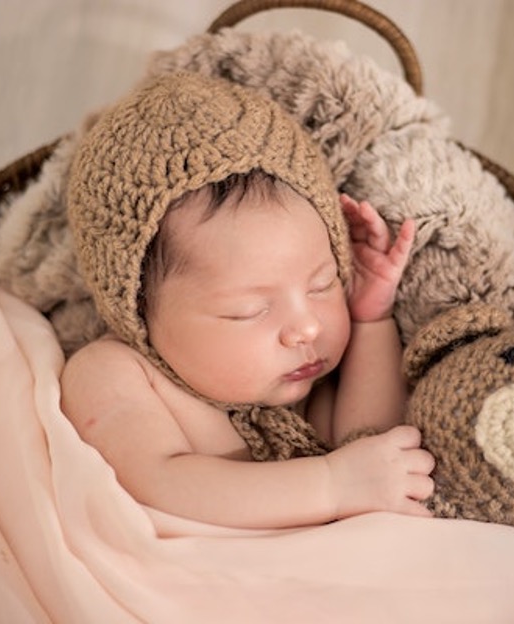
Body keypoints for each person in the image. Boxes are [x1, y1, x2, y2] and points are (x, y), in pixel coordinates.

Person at [61, 72, 434, 529]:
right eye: (250, 310)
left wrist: (371, 319)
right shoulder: (115, 374)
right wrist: (331, 485)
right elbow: (156, 484)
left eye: (322, 284)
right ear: (136, 310)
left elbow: (377, 445)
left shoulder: (300, 385)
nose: (307, 327)